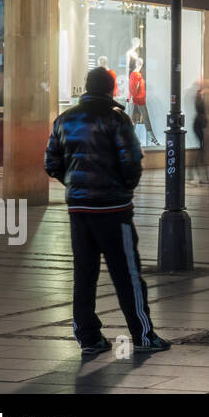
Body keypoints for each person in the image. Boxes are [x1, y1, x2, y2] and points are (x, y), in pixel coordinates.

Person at [44, 66, 169, 357]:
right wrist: (122, 188)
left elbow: (52, 162)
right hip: (114, 210)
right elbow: (132, 162)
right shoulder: (116, 119)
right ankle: (143, 335)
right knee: (127, 274)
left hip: (79, 210)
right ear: (111, 89)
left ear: (87, 87)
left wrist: (75, 184)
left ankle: (88, 337)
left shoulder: (64, 119)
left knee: (84, 274)